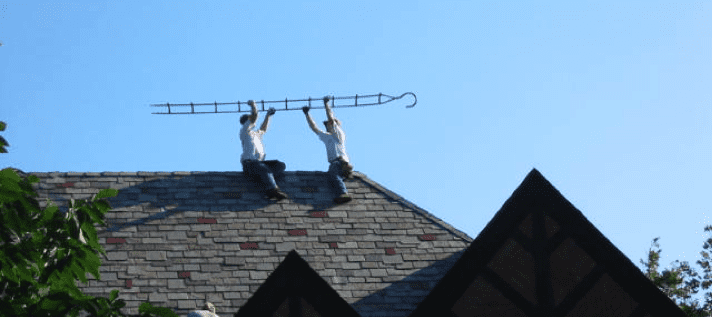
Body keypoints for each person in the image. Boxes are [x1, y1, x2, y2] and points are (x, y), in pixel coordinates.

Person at [302, 96, 354, 204]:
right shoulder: (327, 137)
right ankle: (345, 175)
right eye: (326, 125)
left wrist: (326, 104)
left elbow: (330, 118)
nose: (327, 125)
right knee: (333, 175)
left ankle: (343, 193)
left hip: (340, 161)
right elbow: (314, 128)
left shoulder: (339, 134)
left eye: (329, 124)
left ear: (335, 125)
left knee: (333, 175)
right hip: (336, 163)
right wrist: (307, 115)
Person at [240, 100, 288, 200]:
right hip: (249, 164)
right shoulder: (244, 130)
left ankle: (265, 177)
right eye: (250, 119)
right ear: (247, 121)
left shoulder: (255, 134)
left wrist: (268, 116)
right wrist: (253, 105)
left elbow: (263, 129)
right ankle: (273, 189)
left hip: (259, 164)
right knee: (263, 168)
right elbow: (255, 116)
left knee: (280, 165)